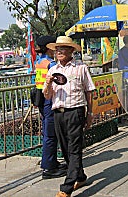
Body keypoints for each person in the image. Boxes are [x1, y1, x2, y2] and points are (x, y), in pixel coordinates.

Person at [43, 36, 95, 197]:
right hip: (58, 113)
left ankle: (67, 186)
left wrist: (90, 114)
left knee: (74, 148)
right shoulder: (52, 70)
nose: (59, 51)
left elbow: (89, 91)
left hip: (75, 111)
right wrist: (48, 84)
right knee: (65, 148)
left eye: (63, 48)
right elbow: (47, 96)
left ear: (71, 50)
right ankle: (80, 176)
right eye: (57, 48)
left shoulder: (81, 68)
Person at [33, 35, 67, 179]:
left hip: (40, 99)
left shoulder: (39, 61)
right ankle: (49, 168)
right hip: (49, 100)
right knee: (51, 134)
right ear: (49, 47)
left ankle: (51, 161)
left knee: (48, 132)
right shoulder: (51, 64)